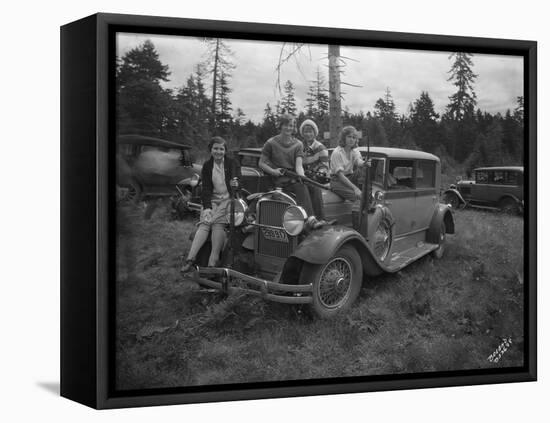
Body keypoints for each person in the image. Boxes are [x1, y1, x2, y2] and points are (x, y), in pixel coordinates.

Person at [180, 136, 240, 273]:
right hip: (212, 200)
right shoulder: (207, 165)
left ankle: (212, 262)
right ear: (211, 149)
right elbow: (206, 189)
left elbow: (239, 183)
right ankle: (190, 259)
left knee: (217, 224)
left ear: (225, 150)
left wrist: (236, 184)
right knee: (205, 223)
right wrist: (207, 207)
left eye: (221, 149)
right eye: (215, 148)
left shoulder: (232, 163)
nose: (218, 151)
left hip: (228, 200)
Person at [259, 113, 315, 217]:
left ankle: (321, 219)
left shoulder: (298, 144)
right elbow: (261, 163)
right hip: (277, 179)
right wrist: (273, 171)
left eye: (291, 125)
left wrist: (302, 177)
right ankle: (309, 219)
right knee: (301, 187)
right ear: (280, 126)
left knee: (314, 187)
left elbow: (299, 166)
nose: (289, 128)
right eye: (286, 125)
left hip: (293, 177)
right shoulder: (270, 143)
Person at [299, 119, 329, 219]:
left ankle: (320, 218)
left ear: (314, 133)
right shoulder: (299, 146)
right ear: (302, 133)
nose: (308, 134)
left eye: (310, 131)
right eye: (305, 131)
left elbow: (324, 166)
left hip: (317, 177)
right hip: (303, 176)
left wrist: (318, 172)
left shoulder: (320, 147)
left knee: (314, 188)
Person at [330, 125, 366, 207]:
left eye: (354, 137)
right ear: (343, 138)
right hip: (337, 181)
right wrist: (355, 189)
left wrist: (364, 163)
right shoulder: (337, 152)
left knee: (362, 170)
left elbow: (358, 161)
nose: (351, 139)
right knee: (359, 198)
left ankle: (367, 193)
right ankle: (360, 216)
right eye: (349, 136)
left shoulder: (354, 151)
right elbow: (340, 176)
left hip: (350, 178)